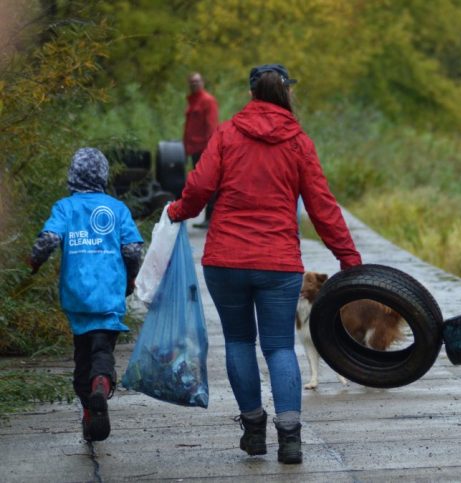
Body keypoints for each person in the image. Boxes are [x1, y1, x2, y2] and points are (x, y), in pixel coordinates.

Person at [167, 63, 362, 464]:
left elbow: (200, 187)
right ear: (287, 92)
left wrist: (177, 211)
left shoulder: (227, 134)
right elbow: (322, 207)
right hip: (277, 262)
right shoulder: (297, 142)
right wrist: (349, 257)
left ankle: (254, 430)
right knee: (279, 346)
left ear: (252, 93)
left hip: (225, 260)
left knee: (239, 342)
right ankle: (290, 438)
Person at [28, 147, 144, 442]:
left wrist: (35, 261)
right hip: (108, 296)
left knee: (82, 357)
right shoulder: (117, 209)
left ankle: (90, 411)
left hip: (77, 297)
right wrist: (131, 276)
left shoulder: (65, 207)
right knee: (102, 352)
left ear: (72, 176)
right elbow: (132, 249)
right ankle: (101, 387)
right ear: (103, 176)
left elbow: (50, 239)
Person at [183, 72, 219, 227]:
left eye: (197, 81)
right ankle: (207, 218)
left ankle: (212, 217)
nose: (194, 84)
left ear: (202, 82)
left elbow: (211, 126)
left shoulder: (207, 101)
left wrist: (210, 149)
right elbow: (189, 128)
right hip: (193, 148)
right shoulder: (192, 101)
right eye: (192, 82)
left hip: (204, 149)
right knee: (202, 182)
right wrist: (184, 148)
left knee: (208, 182)